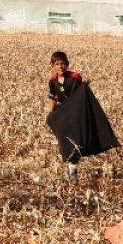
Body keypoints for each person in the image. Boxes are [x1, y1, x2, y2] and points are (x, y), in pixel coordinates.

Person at [46, 51, 85, 181]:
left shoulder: (75, 77)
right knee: (66, 141)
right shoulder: (52, 81)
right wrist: (51, 115)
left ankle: (72, 171)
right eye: (56, 64)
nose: (60, 66)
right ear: (52, 66)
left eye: (62, 63)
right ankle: (71, 169)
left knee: (76, 142)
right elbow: (53, 98)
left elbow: (82, 95)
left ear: (67, 64)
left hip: (76, 112)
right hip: (63, 113)